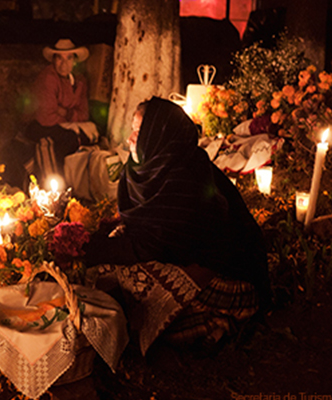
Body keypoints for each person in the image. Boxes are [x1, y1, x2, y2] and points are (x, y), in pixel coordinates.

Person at [82, 97, 271, 353]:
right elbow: (140, 225)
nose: (130, 139)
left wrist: (87, 248)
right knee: (115, 278)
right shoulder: (141, 170)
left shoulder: (186, 176)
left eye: (139, 131)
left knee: (132, 292)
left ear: (159, 135)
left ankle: (219, 318)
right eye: (132, 130)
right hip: (175, 257)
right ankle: (205, 322)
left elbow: (150, 246)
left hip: (227, 276)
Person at [25, 38, 99, 184]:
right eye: (59, 58)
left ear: (74, 61)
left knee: (92, 137)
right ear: (53, 60)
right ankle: (53, 185)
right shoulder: (48, 78)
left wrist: (64, 112)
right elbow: (46, 117)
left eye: (69, 58)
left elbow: (84, 114)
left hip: (66, 124)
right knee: (64, 140)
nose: (64, 63)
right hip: (39, 125)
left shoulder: (79, 81)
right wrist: (71, 120)